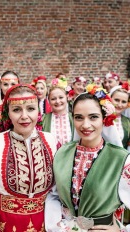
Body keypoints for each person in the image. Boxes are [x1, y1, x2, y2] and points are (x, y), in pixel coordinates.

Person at [45, 84, 130, 231]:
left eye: (93, 117)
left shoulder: (120, 159)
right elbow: (54, 196)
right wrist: (55, 226)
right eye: (79, 117)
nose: (85, 125)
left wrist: (122, 230)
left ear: (104, 119)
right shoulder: (62, 153)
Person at [0, 84, 58, 232]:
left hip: (46, 222)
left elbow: (59, 190)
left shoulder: (52, 141)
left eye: (31, 109)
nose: (24, 116)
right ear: (8, 113)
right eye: (16, 110)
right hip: (6, 224)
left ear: (38, 111)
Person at [43, 78, 74, 146]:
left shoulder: (74, 118)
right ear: (49, 101)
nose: (57, 101)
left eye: (61, 97)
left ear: (67, 97)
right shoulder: (43, 119)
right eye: (53, 99)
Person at [110, 84, 130, 151]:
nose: (119, 105)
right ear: (110, 99)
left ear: (127, 104)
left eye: (123, 102)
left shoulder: (128, 122)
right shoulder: (100, 118)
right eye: (116, 100)